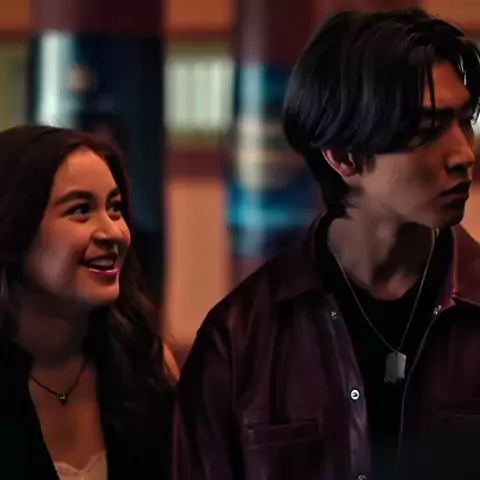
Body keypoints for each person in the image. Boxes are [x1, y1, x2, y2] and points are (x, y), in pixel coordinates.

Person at [174, 7, 480, 480]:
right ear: (343, 156)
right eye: (428, 130)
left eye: (465, 120)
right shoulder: (242, 337)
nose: (463, 154)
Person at [0, 125, 174, 479]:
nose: (113, 232)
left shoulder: (145, 364)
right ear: (13, 227)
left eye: (115, 208)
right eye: (81, 210)